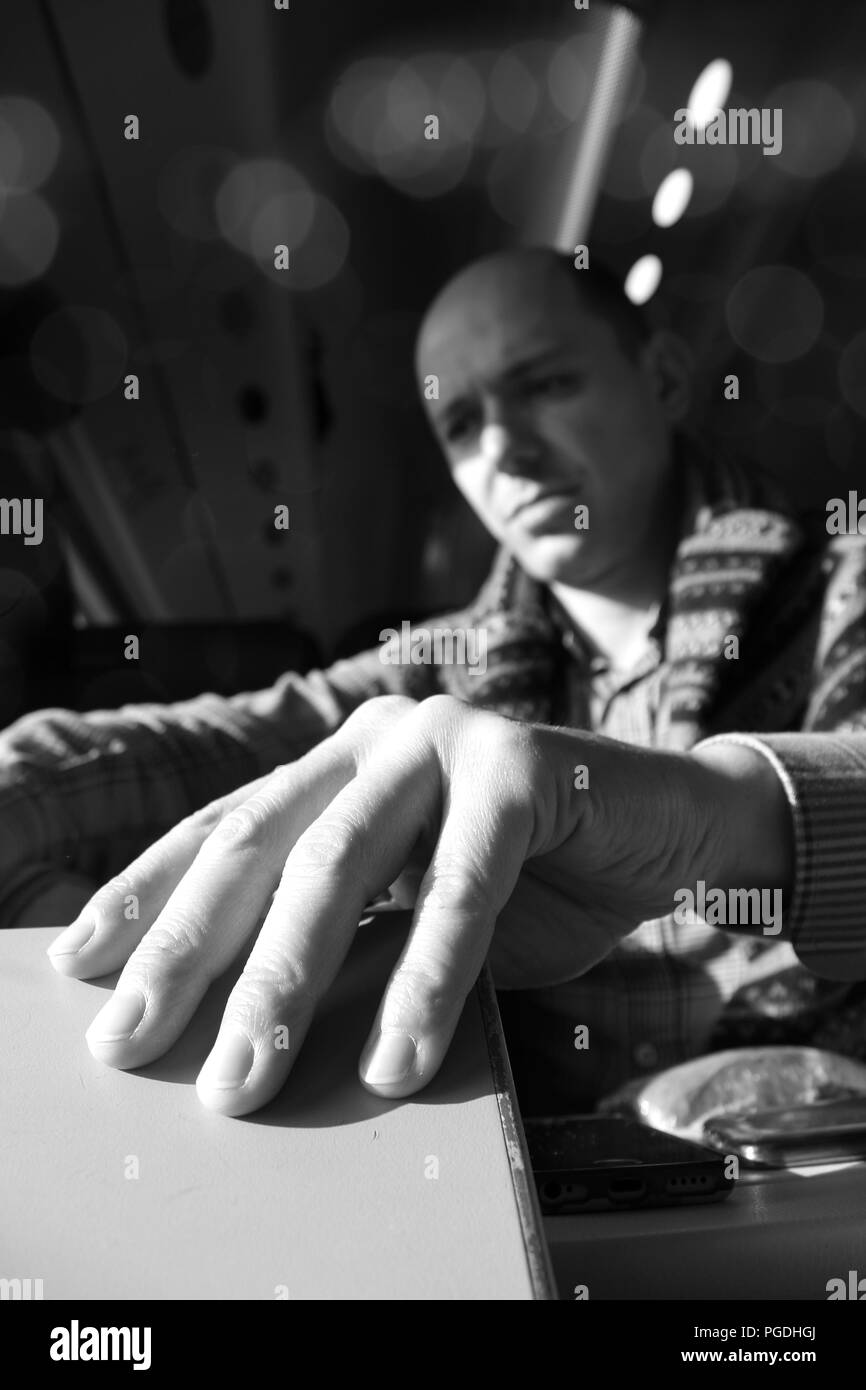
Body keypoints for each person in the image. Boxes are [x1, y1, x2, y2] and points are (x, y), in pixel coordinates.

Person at [2, 247, 865, 1118]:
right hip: (542, 1196)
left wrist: (707, 817)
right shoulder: (433, 678)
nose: (505, 449)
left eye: (546, 384)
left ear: (668, 380)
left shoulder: (846, 586)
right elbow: (174, 753)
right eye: (460, 424)